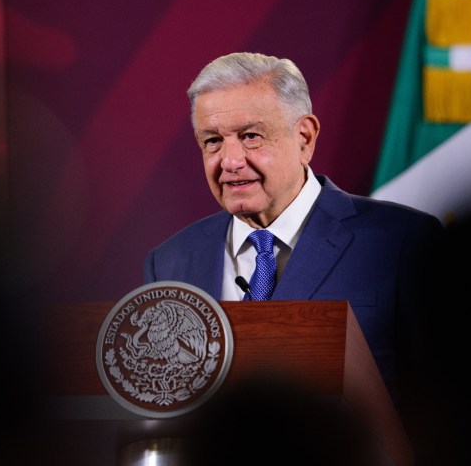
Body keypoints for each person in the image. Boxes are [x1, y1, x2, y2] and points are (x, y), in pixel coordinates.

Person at [143, 52, 444, 418]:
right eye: (213, 141)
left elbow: (448, 408)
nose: (230, 161)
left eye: (250, 136)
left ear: (304, 138)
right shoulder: (170, 263)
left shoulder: (401, 242)